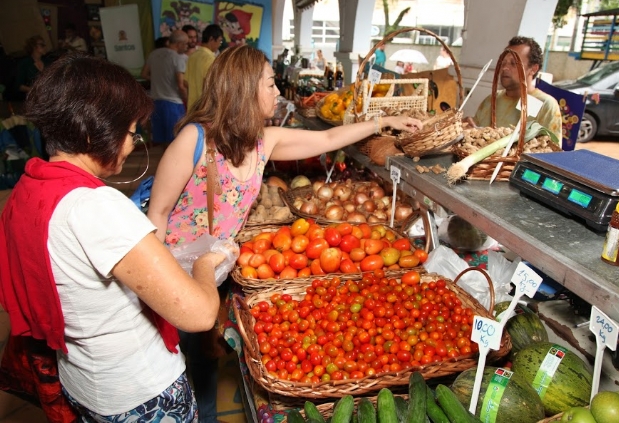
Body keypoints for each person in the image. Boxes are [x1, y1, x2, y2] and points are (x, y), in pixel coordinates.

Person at [146, 44, 422, 421]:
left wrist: (382, 122)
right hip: (172, 271)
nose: (277, 92)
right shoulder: (193, 141)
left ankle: (206, 414)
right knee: (169, 353)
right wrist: (156, 286)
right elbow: (157, 213)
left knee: (203, 352)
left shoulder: (264, 141)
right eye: (271, 84)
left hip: (216, 267)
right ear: (244, 89)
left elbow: (327, 141)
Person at [0, 53, 224, 421]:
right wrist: (205, 263)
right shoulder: (95, 207)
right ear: (93, 131)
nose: (134, 142)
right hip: (139, 392)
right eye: (131, 130)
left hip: (83, 382)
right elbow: (199, 314)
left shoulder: (28, 188)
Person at [466, 36, 562, 139]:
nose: (505, 68)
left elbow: (550, 152)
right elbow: (475, 135)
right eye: (503, 62)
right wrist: (468, 129)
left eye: (513, 63)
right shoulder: (491, 100)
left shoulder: (545, 105)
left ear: (533, 69)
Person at [141, 30, 189, 145]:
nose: (186, 47)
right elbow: (180, 84)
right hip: (173, 104)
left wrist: (158, 80)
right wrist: (188, 100)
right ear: (179, 44)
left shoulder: (154, 54)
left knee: (160, 141)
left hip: (156, 102)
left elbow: (143, 74)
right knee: (176, 140)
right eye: (185, 44)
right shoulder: (178, 58)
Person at [185, 24, 223, 110]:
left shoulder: (193, 56)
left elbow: (185, 83)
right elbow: (210, 85)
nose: (220, 45)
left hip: (191, 107)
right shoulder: (211, 59)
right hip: (203, 110)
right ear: (211, 39)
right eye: (220, 41)